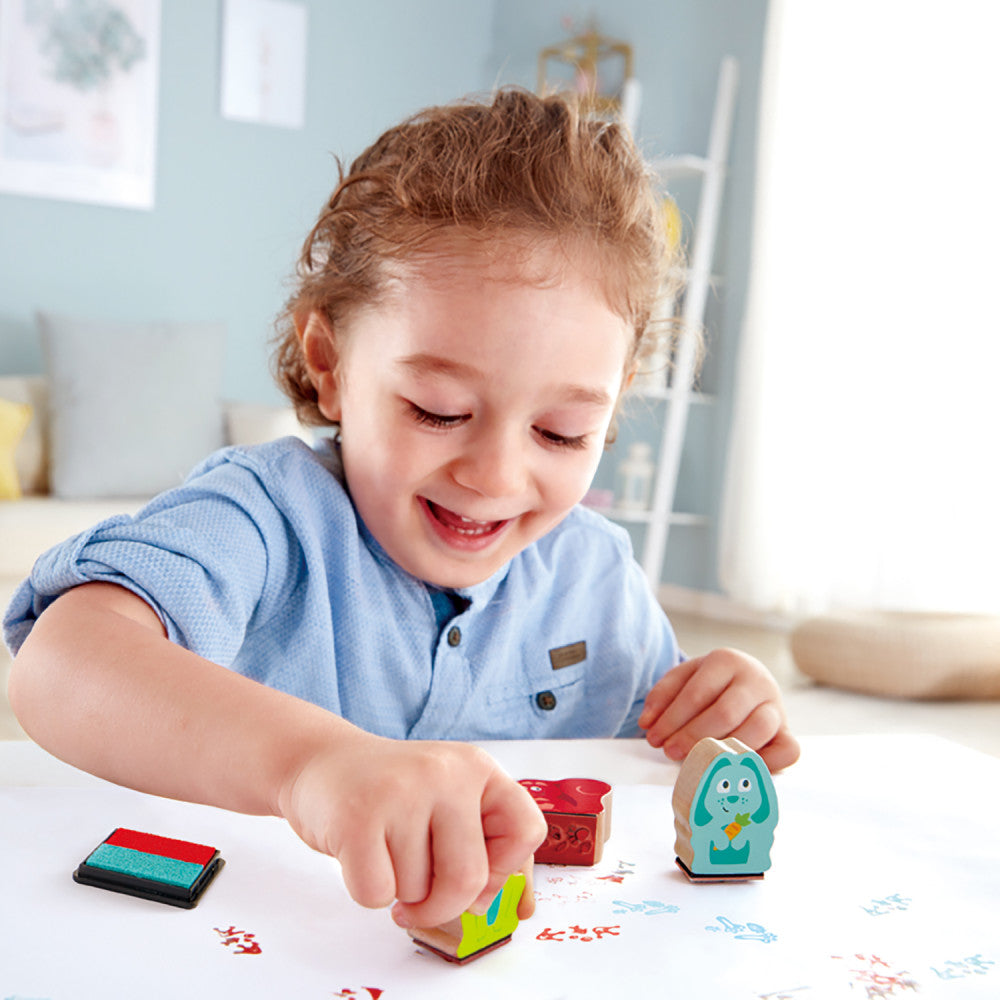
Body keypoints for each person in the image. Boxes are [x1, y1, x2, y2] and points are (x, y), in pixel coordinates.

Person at [4, 88, 798, 932]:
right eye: (438, 410)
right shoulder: (263, 516)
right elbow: (60, 667)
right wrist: (311, 764)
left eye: (562, 431)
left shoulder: (597, 575)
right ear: (329, 364)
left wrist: (723, 712)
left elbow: (647, 758)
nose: (494, 475)